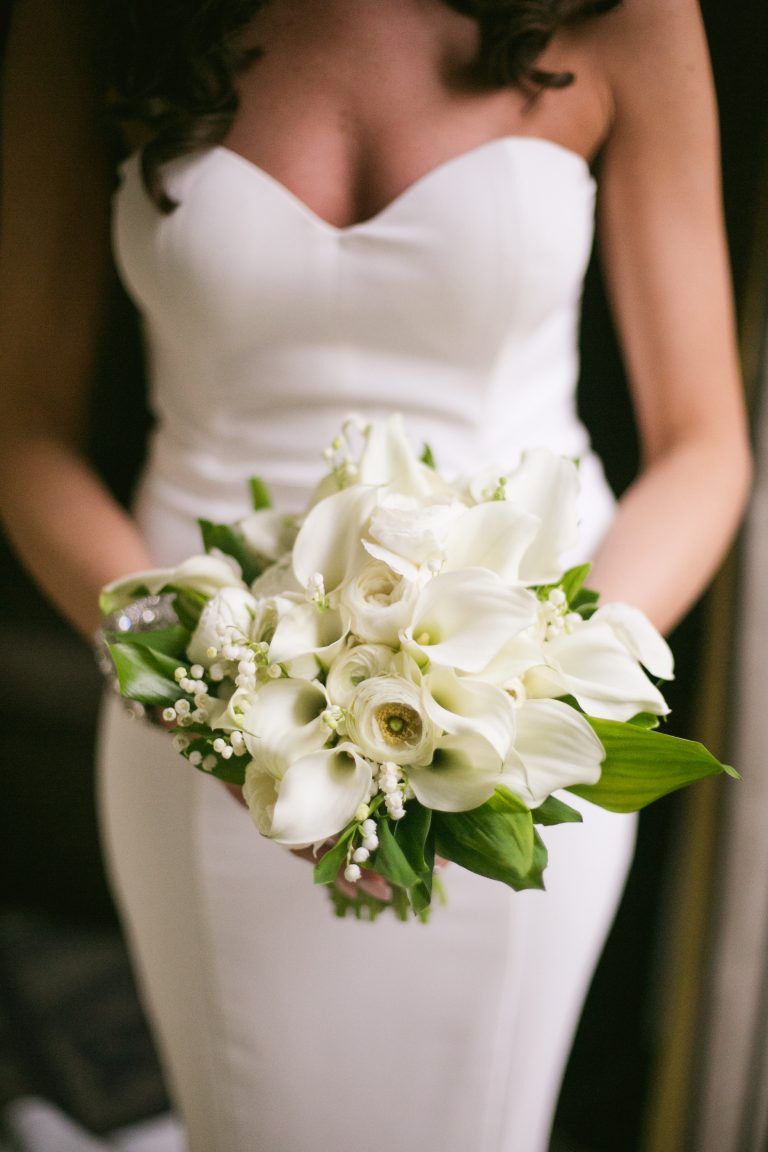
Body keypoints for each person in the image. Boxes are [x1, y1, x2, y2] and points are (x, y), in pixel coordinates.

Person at [0, 1, 751, 1149]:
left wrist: (539, 684)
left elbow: (706, 443)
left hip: (522, 724)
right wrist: (203, 691)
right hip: (191, 708)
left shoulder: (628, 13)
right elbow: (23, 429)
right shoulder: (90, 20)